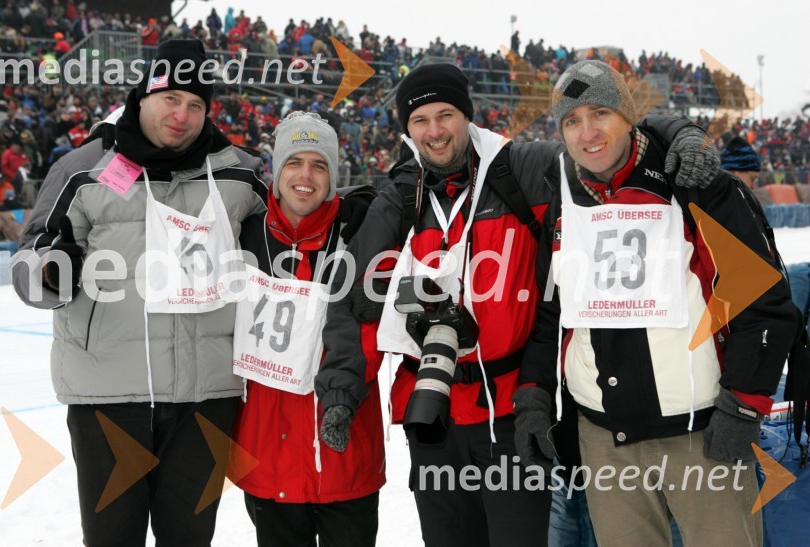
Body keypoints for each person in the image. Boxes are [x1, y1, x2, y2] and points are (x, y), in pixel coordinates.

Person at [314, 62, 720, 547]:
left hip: (511, 415)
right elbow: (354, 298)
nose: (435, 131)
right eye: (420, 121)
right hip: (431, 416)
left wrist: (679, 132)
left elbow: (601, 140)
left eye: (446, 115)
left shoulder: (521, 167)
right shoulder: (404, 194)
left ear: (469, 115)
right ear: (407, 129)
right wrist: (340, 391)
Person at [515, 60, 798, 547]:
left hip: (703, 435)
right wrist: (534, 398)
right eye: (571, 121)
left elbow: (766, 303)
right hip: (605, 439)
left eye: (599, 113)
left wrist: (745, 405)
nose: (588, 133)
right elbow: (552, 311)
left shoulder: (693, 184)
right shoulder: (564, 197)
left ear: (628, 116)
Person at [10, 39, 270, 546]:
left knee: (190, 539)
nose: (183, 114)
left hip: (207, 396)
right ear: (142, 96)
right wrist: (47, 269)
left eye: (196, 104)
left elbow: (286, 244)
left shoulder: (240, 172)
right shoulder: (82, 168)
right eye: (171, 98)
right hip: (110, 397)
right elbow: (27, 257)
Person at [232, 111, 384, 546]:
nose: (306, 175)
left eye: (319, 165)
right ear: (276, 170)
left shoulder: (362, 236)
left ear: (333, 175)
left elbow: (374, 331)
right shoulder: (244, 236)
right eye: (294, 162)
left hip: (345, 451)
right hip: (268, 454)